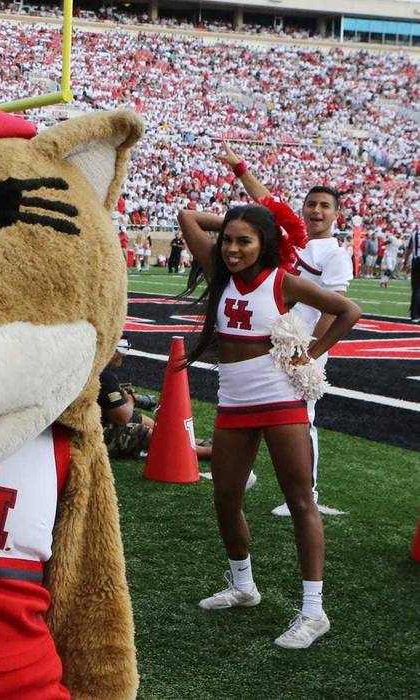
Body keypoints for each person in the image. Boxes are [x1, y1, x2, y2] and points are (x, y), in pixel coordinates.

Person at [178, 201, 359, 650]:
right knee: (225, 497)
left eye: (245, 241)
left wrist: (311, 353)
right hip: (233, 400)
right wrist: (242, 224)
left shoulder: (284, 282)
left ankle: (314, 612)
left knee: (300, 501)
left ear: (265, 245)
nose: (233, 249)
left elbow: (347, 310)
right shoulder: (220, 271)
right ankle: (243, 586)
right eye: (229, 240)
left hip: (280, 400)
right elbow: (188, 219)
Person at [219, 145, 352, 517]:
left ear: (335, 214)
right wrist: (240, 167)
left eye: (325, 206)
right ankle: (241, 471)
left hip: (300, 347)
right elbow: (265, 199)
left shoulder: (334, 253)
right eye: (312, 204)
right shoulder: (288, 235)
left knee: (300, 419)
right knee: (256, 409)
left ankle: (307, 492)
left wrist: (313, 352)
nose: (316, 211)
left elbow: (334, 305)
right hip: (267, 343)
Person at [405, 231, 420, 322]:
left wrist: (405, 262)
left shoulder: (415, 233)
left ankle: (414, 314)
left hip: (416, 261)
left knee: (416, 289)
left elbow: (409, 249)